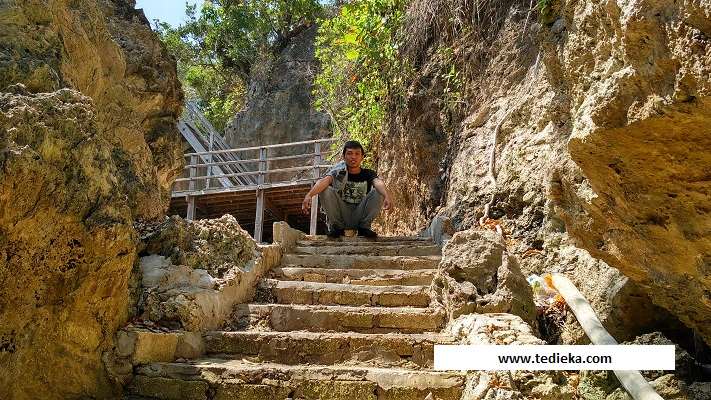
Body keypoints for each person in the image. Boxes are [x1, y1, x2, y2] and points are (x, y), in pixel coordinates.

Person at [301, 140, 392, 238]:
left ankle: (364, 228)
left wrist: (387, 195)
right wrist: (309, 195)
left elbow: (378, 182)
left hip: (359, 214)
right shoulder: (339, 172)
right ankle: (337, 228)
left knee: (378, 191)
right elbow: (324, 181)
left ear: (362, 157)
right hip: (341, 215)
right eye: (349, 153)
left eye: (357, 154)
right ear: (344, 156)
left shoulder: (368, 173)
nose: (353, 157)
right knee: (325, 189)